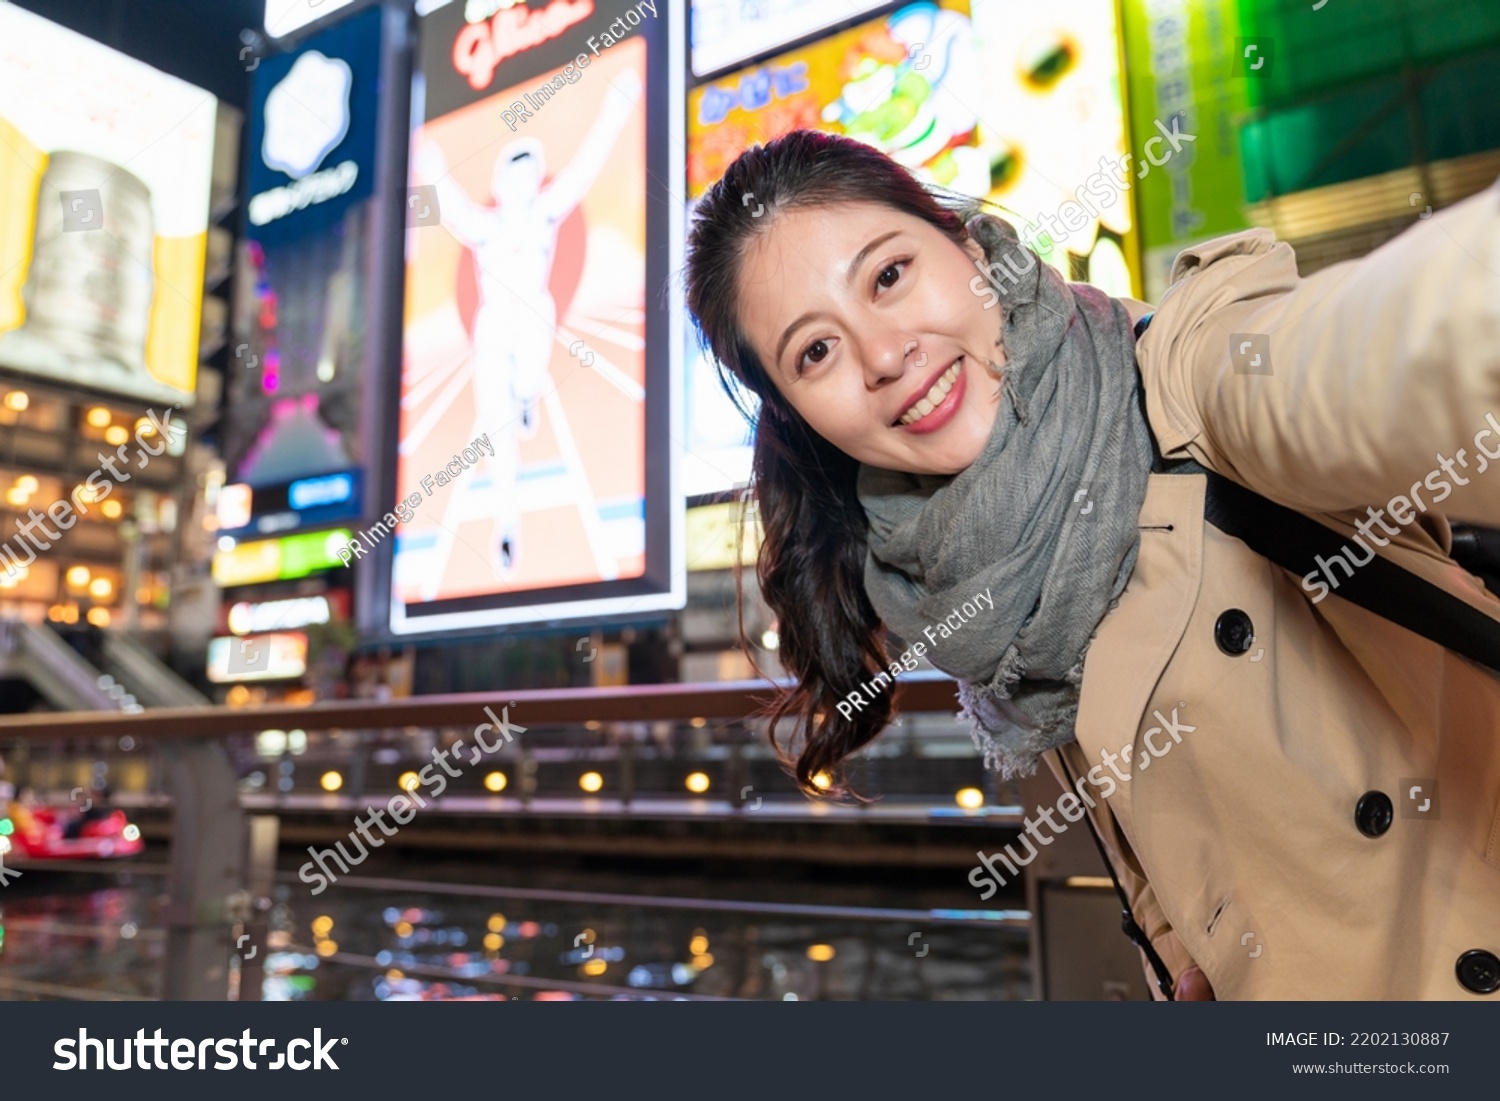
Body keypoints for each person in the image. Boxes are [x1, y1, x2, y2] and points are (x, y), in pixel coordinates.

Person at [683, 129, 1500, 1001]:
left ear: (964, 246)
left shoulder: (1186, 376)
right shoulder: (966, 593)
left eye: (889, 275)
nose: (885, 356)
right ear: (799, 415)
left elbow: (1404, 348)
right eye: (816, 351)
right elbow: (1175, 846)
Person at [413, 68, 644, 582]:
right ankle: (506, 524)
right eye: (511, 171)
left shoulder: (545, 212)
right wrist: (430, 165)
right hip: (494, 329)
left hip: (532, 320)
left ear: (533, 176)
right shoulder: (484, 227)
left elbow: (586, 167)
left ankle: (524, 396)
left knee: (526, 375)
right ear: (501, 180)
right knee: (498, 437)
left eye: (527, 170)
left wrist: (616, 107)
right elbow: (448, 204)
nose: (520, 179)